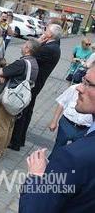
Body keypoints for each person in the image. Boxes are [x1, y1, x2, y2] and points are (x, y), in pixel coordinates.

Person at [19, 66, 95, 213]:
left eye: (88, 83)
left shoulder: (72, 157)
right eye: (83, 80)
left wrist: (37, 177)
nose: (79, 88)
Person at [0, 39, 40, 159]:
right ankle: (2, 147)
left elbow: (2, 71)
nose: (22, 46)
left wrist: (3, 76)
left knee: (1, 125)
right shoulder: (34, 63)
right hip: (18, 100)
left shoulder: (22, 63)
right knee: (9, 125)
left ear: (28, 49)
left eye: (24, 45)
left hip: (9, 98)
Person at [9, 24, 62, 151]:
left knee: (24, 111)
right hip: (36, 82)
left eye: (46, 30)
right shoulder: (53, 45)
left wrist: (37, 41)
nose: (44, 31)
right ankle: (19, 140)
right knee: (27, 110)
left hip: (33, 83)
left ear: (50, 35)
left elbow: (27, 53)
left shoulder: (50, 48)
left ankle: (15, 141)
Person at [48, 83, 92, 159]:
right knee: (58, 147)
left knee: (76, 152)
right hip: (67, 124)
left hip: (84, 130)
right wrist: (54, 121)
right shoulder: (74, 88)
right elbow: (62, 103)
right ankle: (50, 166)